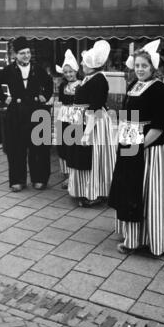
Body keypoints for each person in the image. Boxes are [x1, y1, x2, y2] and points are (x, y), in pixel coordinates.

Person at [108, 39, 164, 256]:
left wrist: (138, 147)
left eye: (145, 66)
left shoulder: (160, 90)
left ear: (153, 68)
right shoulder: (133, 86)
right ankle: (132, 234)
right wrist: (122, 141)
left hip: (149, 150)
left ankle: (148, 238)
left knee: (145, 193)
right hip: (131, 145)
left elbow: (158, 128)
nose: (140, 69)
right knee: (128, 190)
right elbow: (127, 117)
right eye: (138, 65)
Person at [0, 36, 53, 192]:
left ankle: (40, 179)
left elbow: (49, 83)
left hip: (37, 112)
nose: (26, 55)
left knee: (39, 147)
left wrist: (45, 95)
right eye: (22, 53)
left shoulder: (37, 69)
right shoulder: (9, 70)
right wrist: (4, 98)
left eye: (28, 52)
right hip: (16, 114)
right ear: (15, 55)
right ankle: (18, 180)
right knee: (16, 148)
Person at [67, 40, 116, 207]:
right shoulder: (91, 77)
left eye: (84, 61)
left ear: (91, 64)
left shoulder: (99, 80)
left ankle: (95, 193)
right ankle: (84, 189)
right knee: (83, 157)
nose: (81, 63)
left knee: (92, 158)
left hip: (93, 123)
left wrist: (87, 132)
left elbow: (95, 108)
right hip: (83, 121)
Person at [55, 50, 81, 189]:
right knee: (63, 144)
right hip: (64, 115)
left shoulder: (82, 84)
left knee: (73, 144)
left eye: (71, 71)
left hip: (76, 116)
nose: (68, 74)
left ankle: (74, 174)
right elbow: (62, 101)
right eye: (66, 72)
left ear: (76, 71)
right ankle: (66, 173)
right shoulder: (62, 86)